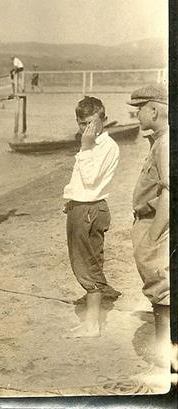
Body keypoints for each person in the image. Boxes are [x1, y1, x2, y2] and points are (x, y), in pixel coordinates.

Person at [61, 96, 120, 337]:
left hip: (90, 209)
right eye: (82, 124)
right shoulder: (90, 143)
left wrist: (85, 146)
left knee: (88, 265)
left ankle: (92, 324)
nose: (88, 129)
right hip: (81, 206)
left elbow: (91, 179)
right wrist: (70, 198)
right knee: (85, 262)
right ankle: (90, 321)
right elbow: (79, 180)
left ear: (104, 120)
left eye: (93, 123)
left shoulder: (106, 146)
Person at [128, 84, 170, 364]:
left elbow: (169, 192)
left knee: (161, 290)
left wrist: (152, 238)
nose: (136, 116)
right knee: (161, 289)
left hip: (155, 224)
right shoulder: (160, 139)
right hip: (151, 222)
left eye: (139, 110)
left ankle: (165, 362)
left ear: (153, 110)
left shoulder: (165, 143)